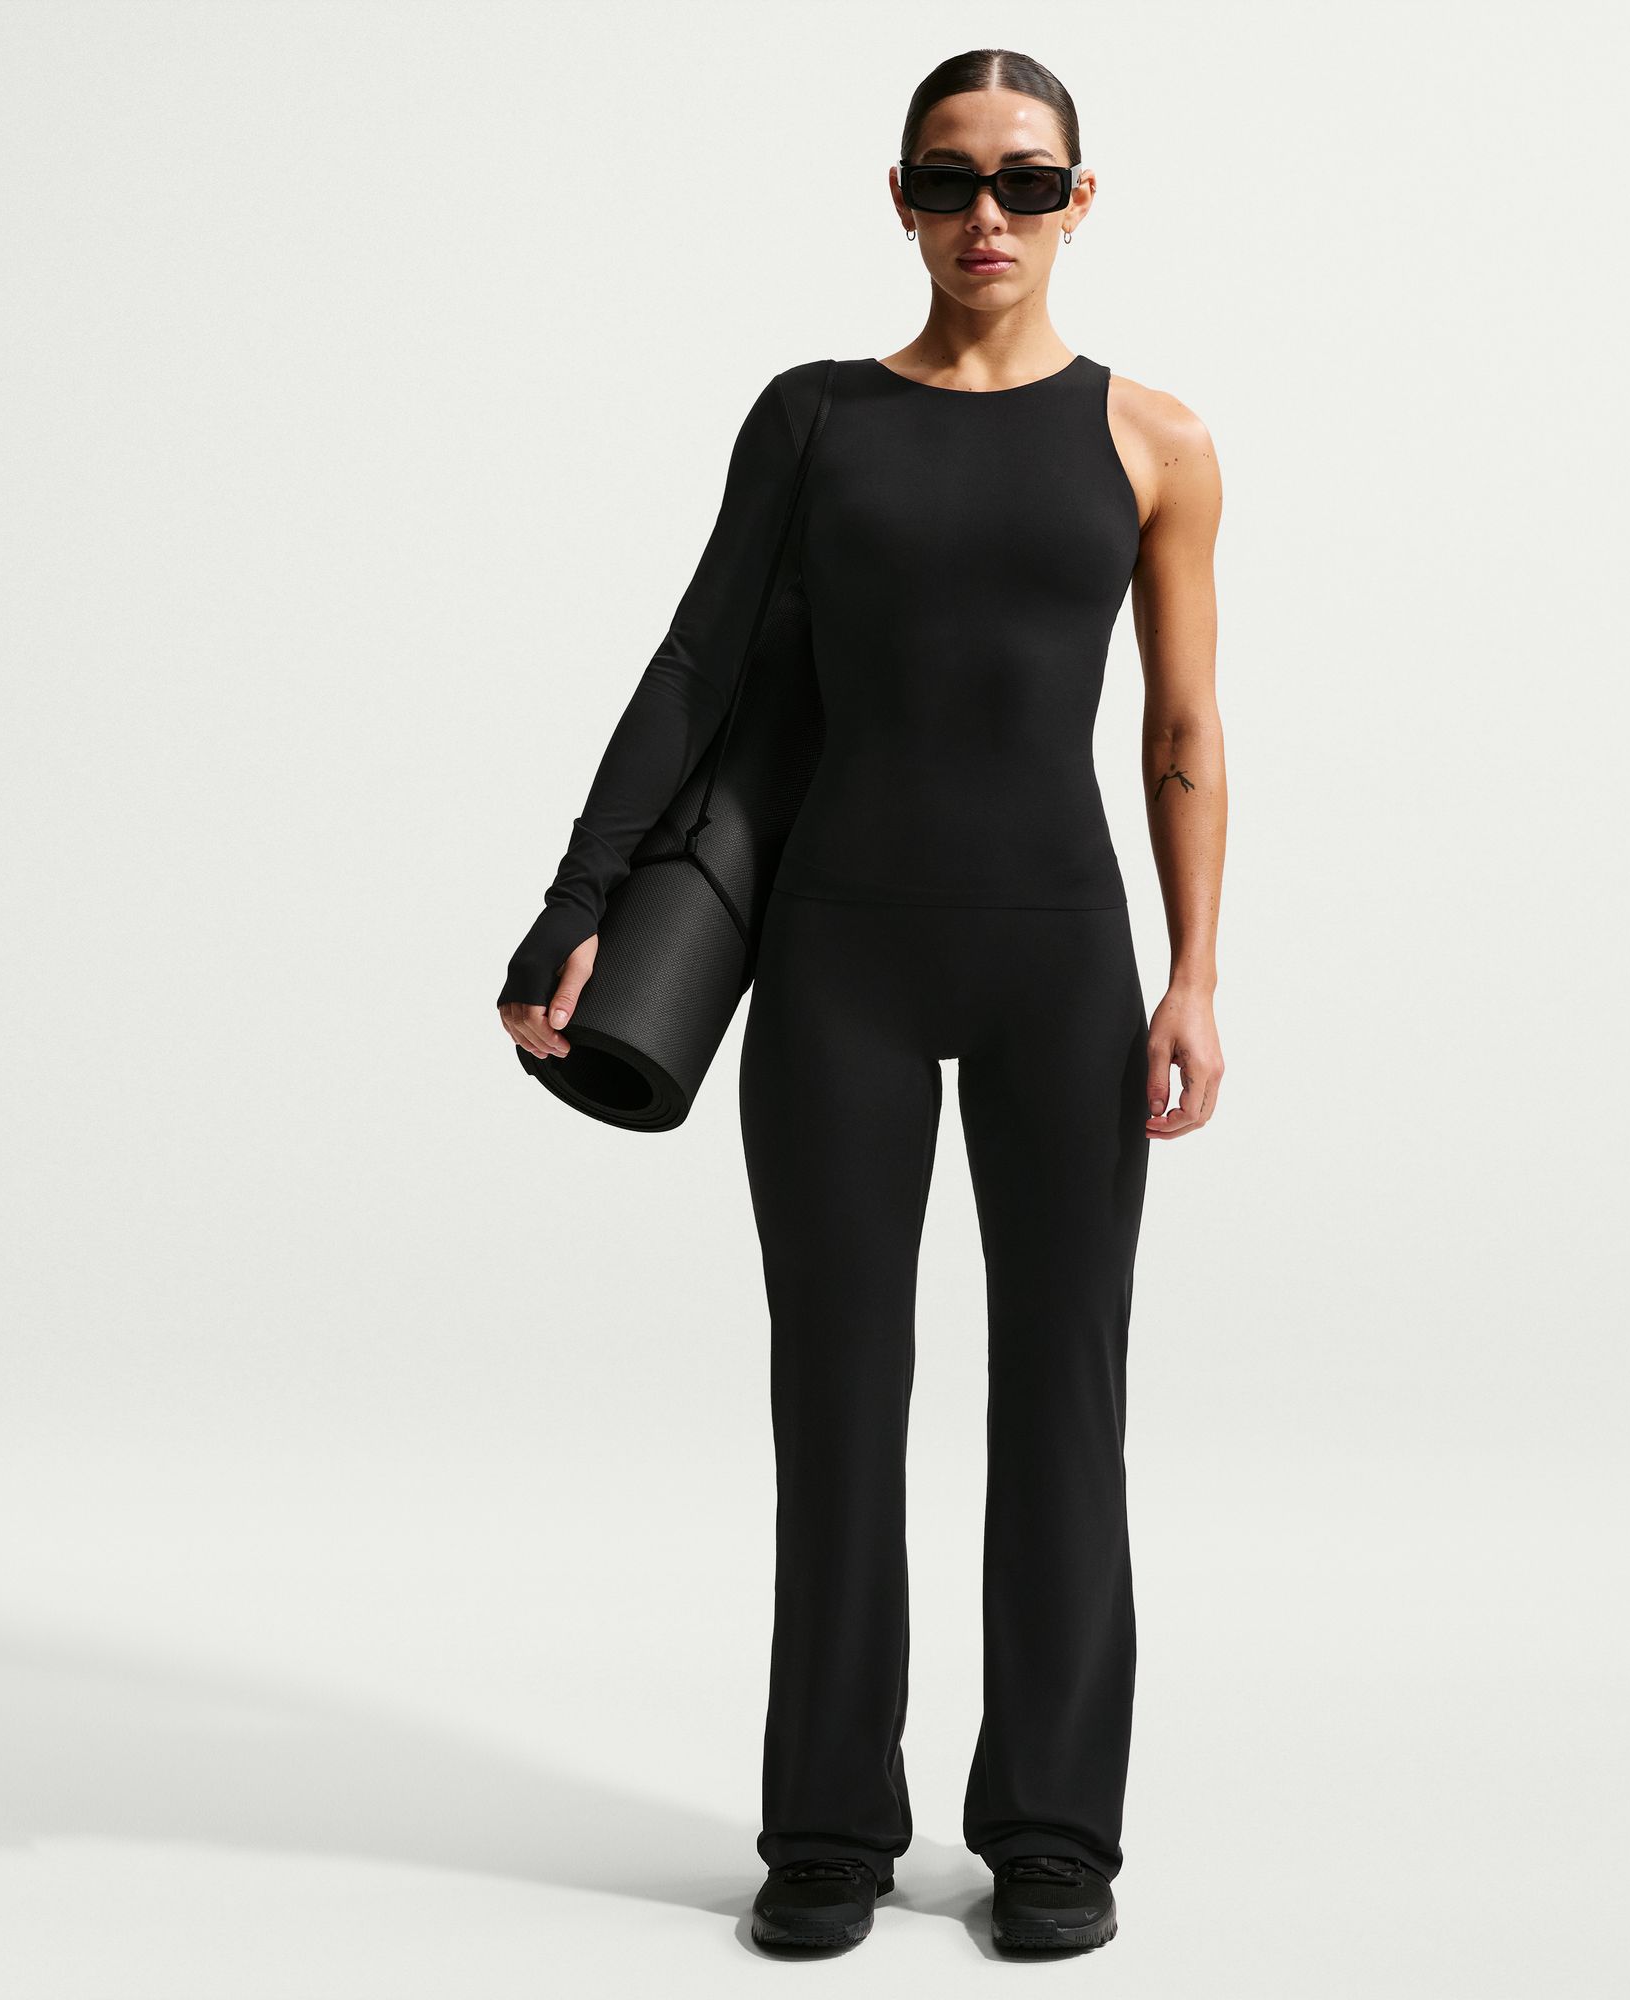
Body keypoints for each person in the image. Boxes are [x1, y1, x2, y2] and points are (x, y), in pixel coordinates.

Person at [496, 47, 1225, 1955]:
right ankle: (827, 1825)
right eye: (950, 178)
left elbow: (1181, 729)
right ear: (898, 198)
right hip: (839, 962)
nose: (989, 213)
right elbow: (693, 665)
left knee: (1063, 1398)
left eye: (1027, 180)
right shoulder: (814, 418)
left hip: (1062, 957)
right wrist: (578, 901)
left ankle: (1052, 1829)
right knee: (837, 1396)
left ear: (1080, 201)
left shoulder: (1156, 439)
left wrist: (1197, 973)